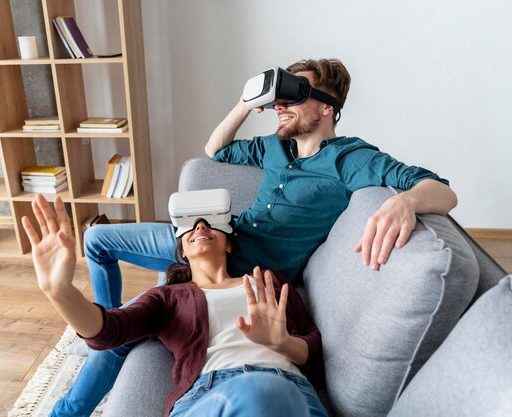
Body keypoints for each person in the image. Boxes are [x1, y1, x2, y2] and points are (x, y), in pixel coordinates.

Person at [51, 58, 458, 416]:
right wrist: (249, 102)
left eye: (293, 95)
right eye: (280, 95)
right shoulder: (275, 147)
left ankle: (66, 407)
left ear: (326, 106)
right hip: (218, 240)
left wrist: (405, 202)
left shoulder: (350, 159)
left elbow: (442, 190)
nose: (279, 106)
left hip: (243, 267)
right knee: (97, 242)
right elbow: (215, 148)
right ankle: (100, 323)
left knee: (120, 340)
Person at [22, 193, 328, 417]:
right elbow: (109, 332)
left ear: (230, 242)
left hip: (288, 390)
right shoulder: (168, 297)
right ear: (181, 248)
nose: (200, 226)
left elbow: (313, 349)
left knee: (266, 393)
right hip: (207, 396)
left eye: (211, 224)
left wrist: (283, 343)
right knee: (255, 393)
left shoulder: (268, 280)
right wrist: (61, 293)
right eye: (191, 228)